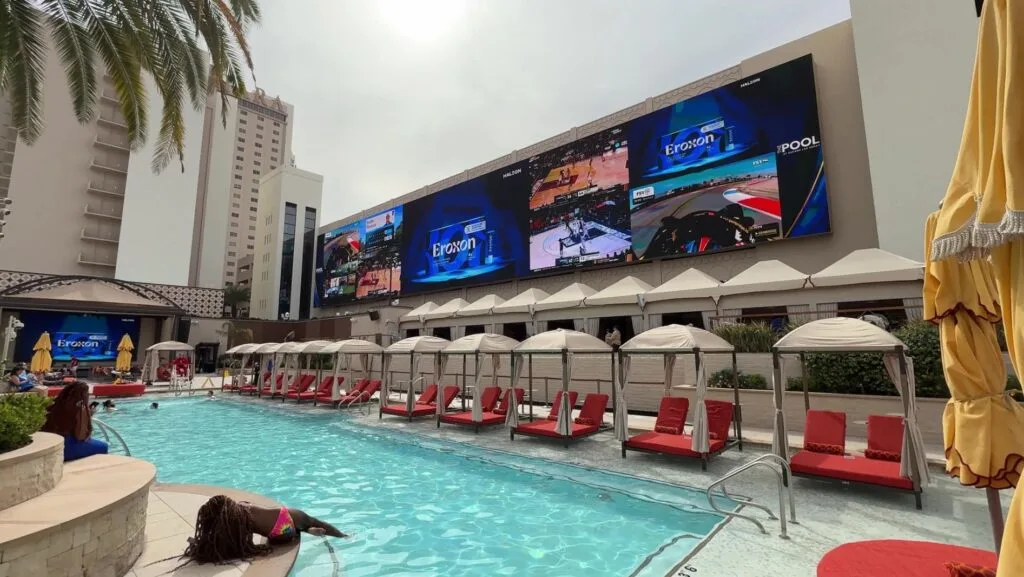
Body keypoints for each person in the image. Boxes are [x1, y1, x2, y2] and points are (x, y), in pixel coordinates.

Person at [178, 495, 347, 566]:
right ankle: (341, 535)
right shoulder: (240, 509)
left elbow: (236, 543)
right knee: (314, 522)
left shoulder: (234, 521)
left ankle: (308, 530)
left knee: (276, 538)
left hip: (279, 534)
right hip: (285, 518)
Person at [40, 381, 109, 462]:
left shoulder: (53, 404)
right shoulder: (79, 409)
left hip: (50, 444)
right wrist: (88, 416)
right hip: (65, 448)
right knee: (104, 446)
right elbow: (81, 436)